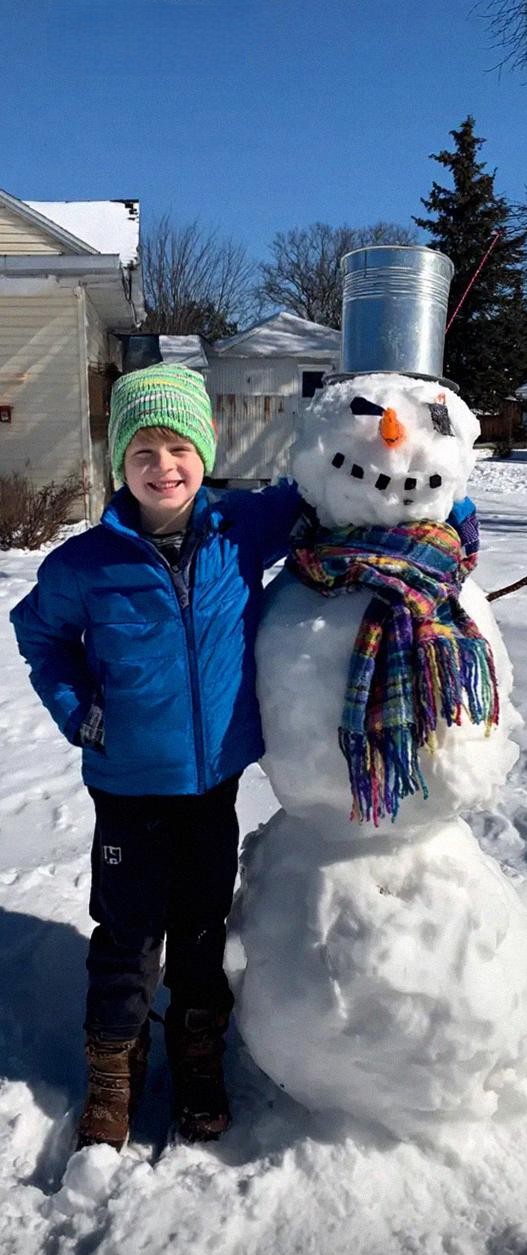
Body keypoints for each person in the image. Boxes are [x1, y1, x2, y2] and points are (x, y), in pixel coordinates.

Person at [10, 364, 303, 1149]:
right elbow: (36, 633)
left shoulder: (240, 528)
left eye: (178, 446)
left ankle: (196, 1049)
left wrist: (450, 504)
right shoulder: (86, 564)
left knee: (202, 922)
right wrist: (78, 713)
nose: (162, 465)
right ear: (120, 465)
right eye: (143, 450)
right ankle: (115, 1062)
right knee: (129, 928)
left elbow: (338, 490)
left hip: (213, 782)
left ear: (204, 453)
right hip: (128, 784)